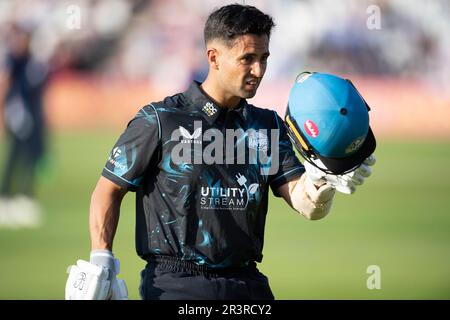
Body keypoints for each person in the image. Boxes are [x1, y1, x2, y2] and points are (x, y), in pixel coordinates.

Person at [65, 4, 375, 300]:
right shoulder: (160, 119)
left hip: (248, 284)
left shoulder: (267, 125)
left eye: (264, 58)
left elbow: (305, 203)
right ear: (214, 57)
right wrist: (101, 258)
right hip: (175, 285)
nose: (259, 69)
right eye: (247, 58)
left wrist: (324, 181)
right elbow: (108, 189)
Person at [0, 23, 48, 229]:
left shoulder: (31, 61)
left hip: (31, 117)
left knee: (30, 157)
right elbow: (6, 85)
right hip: (18, 114)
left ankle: (24, 197)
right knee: (15, 156)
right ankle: (5, 197)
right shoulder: (14, 59)